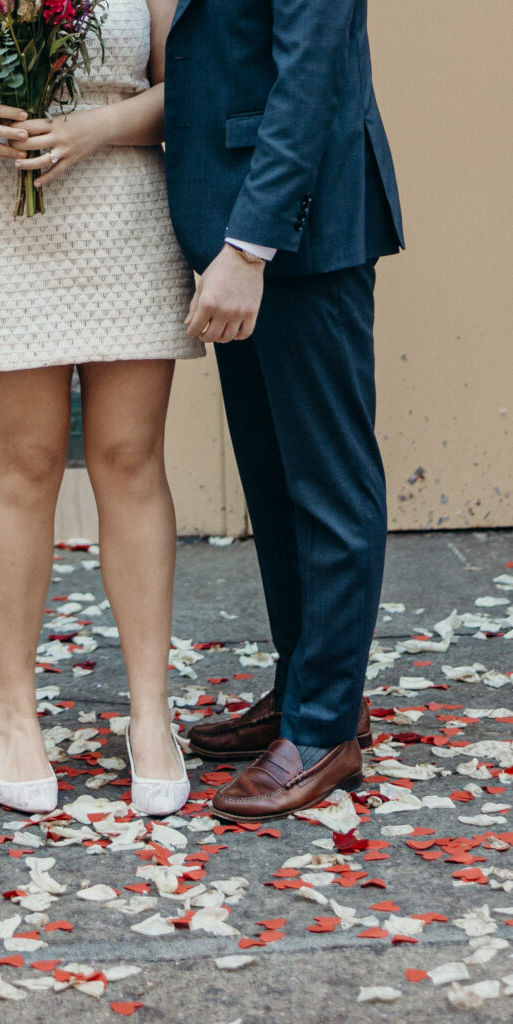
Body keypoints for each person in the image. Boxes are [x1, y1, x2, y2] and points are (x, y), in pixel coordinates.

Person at [0, 0, 200, 817]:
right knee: (22, 468)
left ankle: (149, 713)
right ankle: (15, 713)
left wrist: (96, 129)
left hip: (128, 218)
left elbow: (189, 88)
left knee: (129, 460)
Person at [164, 0, 404, 820]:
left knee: (329, 486)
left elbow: (310, 73)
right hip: (232, 216)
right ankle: (306, 688)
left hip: (294, 227)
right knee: (274, 483)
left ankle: (325, 727)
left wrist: (247, 247)